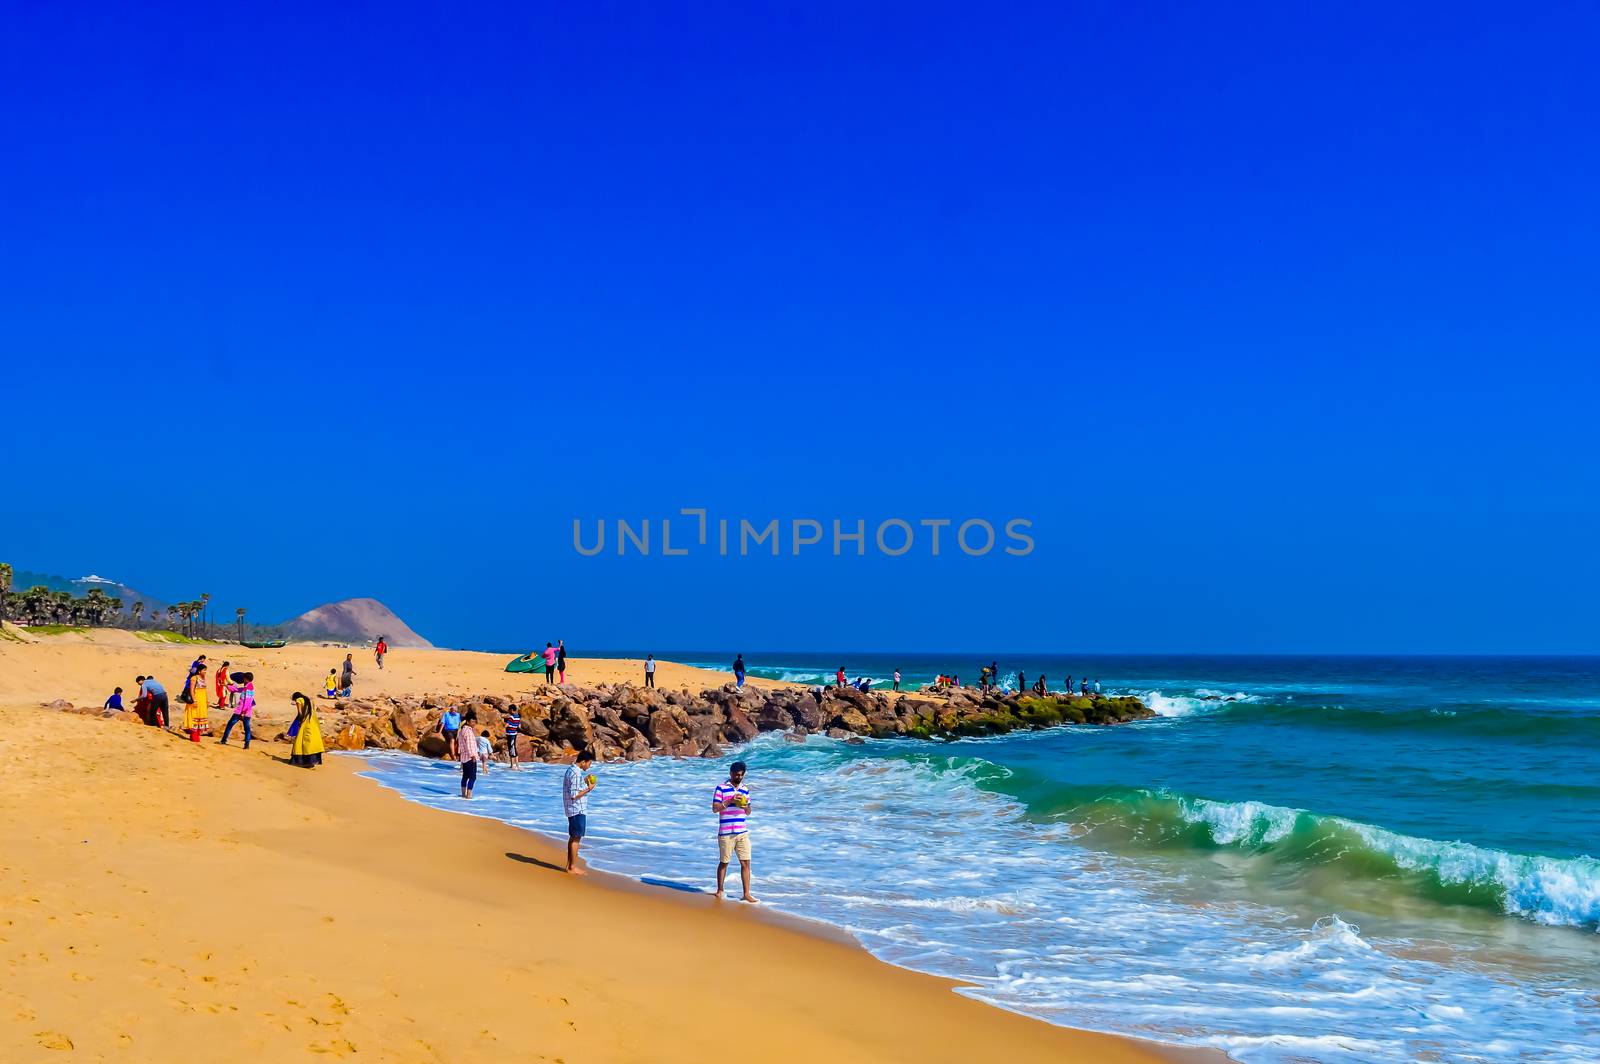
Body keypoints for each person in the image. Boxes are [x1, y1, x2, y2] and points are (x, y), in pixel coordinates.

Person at [713, 760, 755, 903]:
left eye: (741, 775)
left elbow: (749, 811)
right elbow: (715, 808)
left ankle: (746, 894)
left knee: (746, 863)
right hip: (726, 832)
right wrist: (729, 801)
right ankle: (720, 890)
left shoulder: (745, 789)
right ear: (731, 773)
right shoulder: (721, 788)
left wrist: (743, 805)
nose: (739, 778)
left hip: (742, 832)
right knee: (724, 862)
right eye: (736, 775)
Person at [563, 748, 597, 874]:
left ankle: (569, 865)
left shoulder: (571, 770)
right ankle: (572, 867)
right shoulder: (576, 773)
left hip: (572, 809)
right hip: (577, 809)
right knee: (576, 838)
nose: (589, 766)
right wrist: (589, 788)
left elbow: (574, 788)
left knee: (573, 837)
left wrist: (584, 781)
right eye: (589, 763)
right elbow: (574, 795)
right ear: (583, 762)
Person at [288, 692, 324, 768]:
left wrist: (297, 723)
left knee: (300, 741)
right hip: (314, 722)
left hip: (306, 722)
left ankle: (302, 761)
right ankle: (313, 760)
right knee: (312, 740)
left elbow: (300, 713)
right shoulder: (309, 700)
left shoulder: (298, 700)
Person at [220, 672, 256, 747]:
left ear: (246, 679)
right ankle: (247, 744)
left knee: (230, 724)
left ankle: (224, 740)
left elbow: (247, 701)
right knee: (247, 728)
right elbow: (237, 689)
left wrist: (243, 712)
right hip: (246, 712)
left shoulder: (248, 688)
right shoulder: (248, 687)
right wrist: (226, 686)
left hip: (242, 711)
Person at [457, 710, 479, 799]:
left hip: (463, 757)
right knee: (473, 777)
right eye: (472, 721)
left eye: (475, 721)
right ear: (468, 721)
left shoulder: (462, 730)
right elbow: (470, 745)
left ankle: (463, 794)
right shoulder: (469, 731)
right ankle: (469, 795)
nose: (474, 723)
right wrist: (473, 755)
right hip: (470, 757)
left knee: (465, 776)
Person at [184, 664, 210, 739]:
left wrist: (206, 701)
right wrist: (194, 700)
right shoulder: (194, 678)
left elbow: (205, 691)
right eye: (204, 670)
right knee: (194, 716)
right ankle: (193, 736)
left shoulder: (203, 678)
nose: (205, 672)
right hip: (196, 699)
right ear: (199, 671)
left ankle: (197, 735)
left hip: (202, 700)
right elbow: (192, 690)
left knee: (200, 717)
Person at [505, 704, 521, 770]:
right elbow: (519, 726)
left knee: (512, 748)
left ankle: (514, 765)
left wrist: (505, 726)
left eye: (509, 709)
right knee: (512, 747)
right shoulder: (517, 717)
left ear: (511, 710)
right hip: (514, 733)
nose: (508, 711)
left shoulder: (511, 717)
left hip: (510, 734)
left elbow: (506, 725)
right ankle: (514, 765)